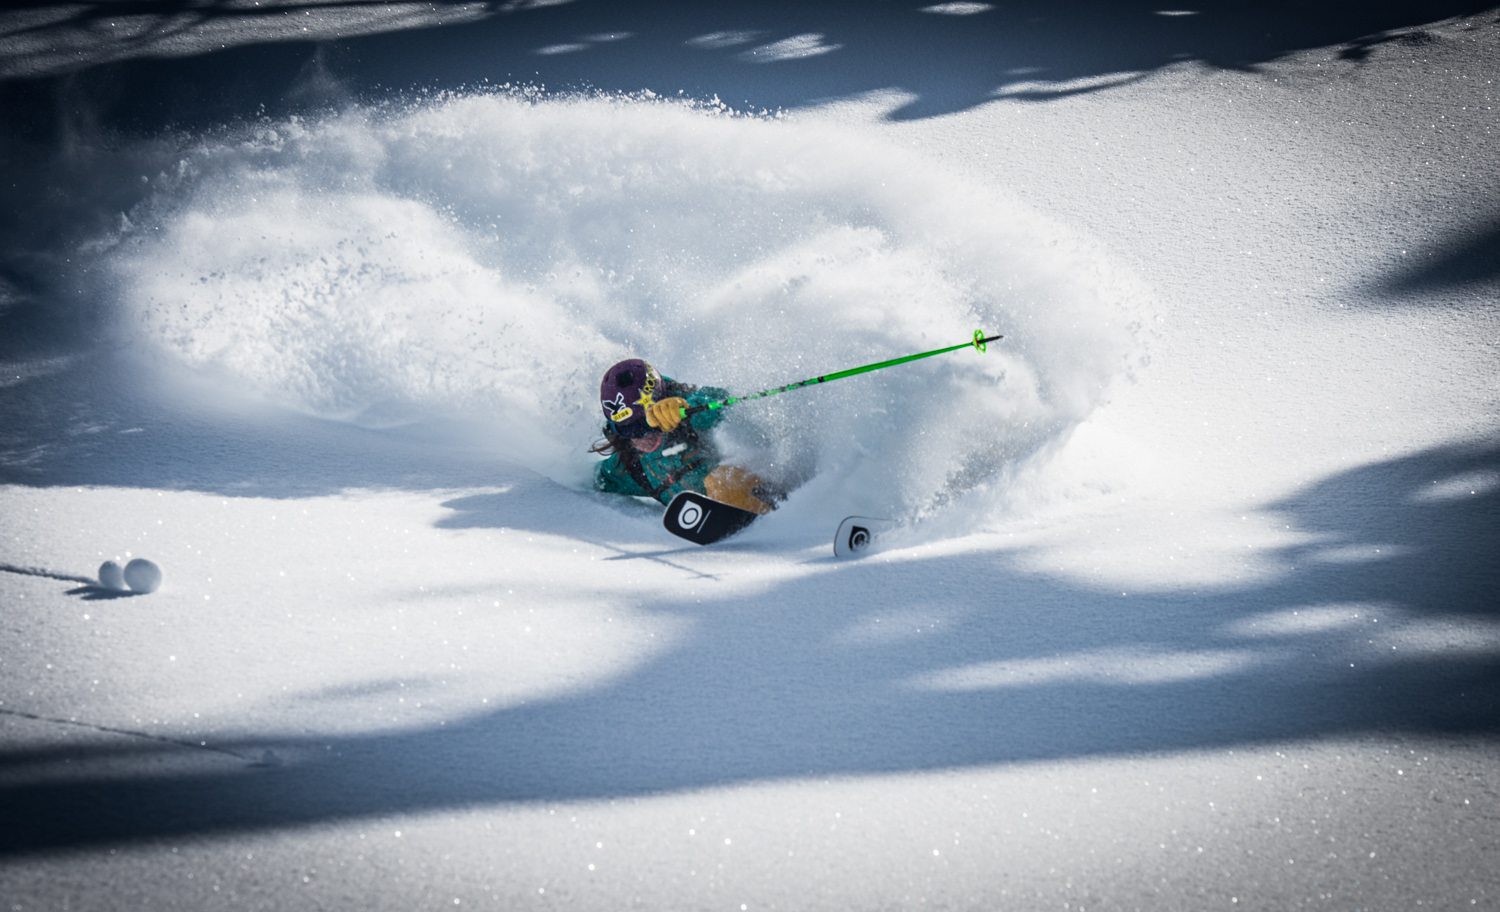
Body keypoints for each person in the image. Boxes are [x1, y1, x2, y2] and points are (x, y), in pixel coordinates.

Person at [592, 358, 775, 515]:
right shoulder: (630, 467)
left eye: (647, 423)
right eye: (629, 430)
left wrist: (689, 408)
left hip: (761, 489)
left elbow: (721, 398)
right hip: (707, 519)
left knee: (720, 482)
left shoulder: (691, 419)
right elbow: (594, 480)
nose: (641, 437)